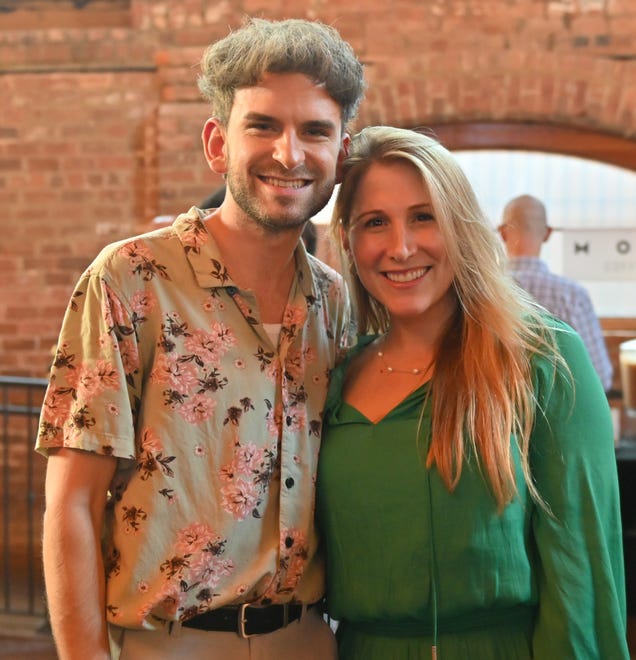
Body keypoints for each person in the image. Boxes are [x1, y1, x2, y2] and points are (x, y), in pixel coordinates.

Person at [36, 17, 365, 660]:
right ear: (218, 143)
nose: (290, 154)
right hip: (169, 642)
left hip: (307, 641)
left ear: (341, 155)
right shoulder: (131, 279)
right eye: (263, 125)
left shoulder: (339, 301)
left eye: (315, 131)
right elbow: (71, 502)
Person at [315, 126, 629, 659]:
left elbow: (584, 581)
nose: (401, 247)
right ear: (347, 239)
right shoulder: (331, 375)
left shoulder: (542, 359)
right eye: (375, 223)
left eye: (423, 216)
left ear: (462, 226)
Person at [498, 194, 613, 392]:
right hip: (559, 417)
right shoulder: (573, 296)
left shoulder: (479, 292)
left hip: (492, 417)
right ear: (548, 233)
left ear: (502, 232)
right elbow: (599, 377)